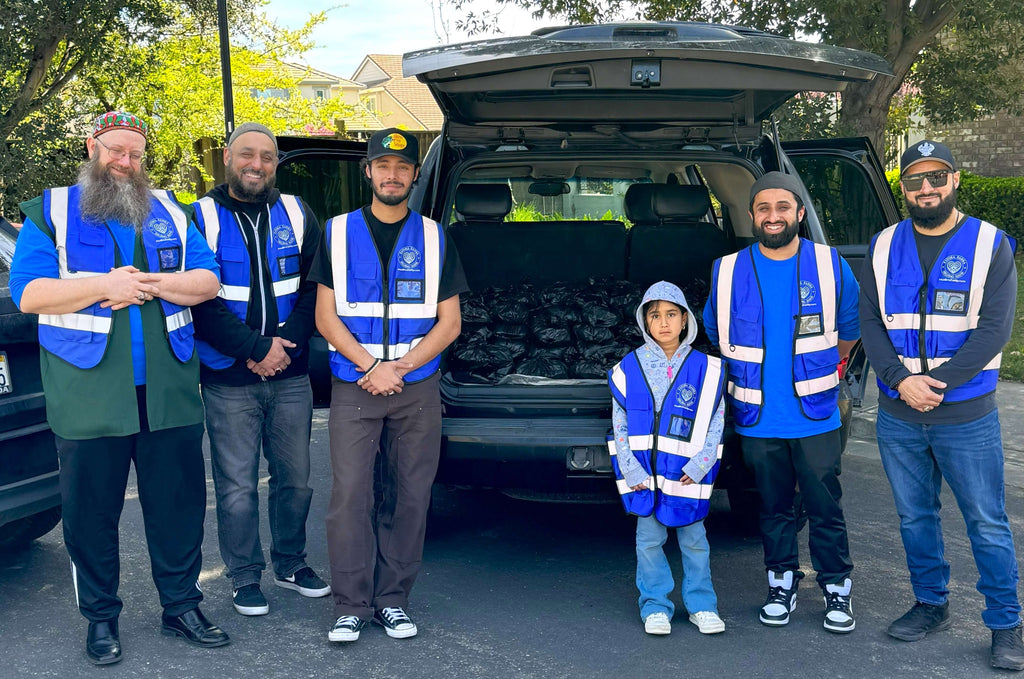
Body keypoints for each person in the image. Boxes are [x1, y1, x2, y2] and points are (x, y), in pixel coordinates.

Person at [9, 111, 228, 665]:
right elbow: (30, 295)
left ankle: (181, 606)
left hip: (170, 388)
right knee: (91, 512)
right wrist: (105, 286)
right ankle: (101, 618)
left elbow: (207, 282)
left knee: (178, 505)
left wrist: (153, 285)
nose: (126, 163)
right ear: (92, 148)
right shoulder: (53, 211)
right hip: (87, 392)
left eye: (135, 154)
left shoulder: (172, 212)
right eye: (116, 151)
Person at [859, 140, 1023, 671]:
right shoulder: (882, 245)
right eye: (914, 180)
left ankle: (1005, 623)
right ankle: (932, 604)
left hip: (967, 415)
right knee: (914, 517)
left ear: (955, 181)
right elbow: (871, 324)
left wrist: (935, 383)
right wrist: (898, 381)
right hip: (898, 413)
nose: (925, 188)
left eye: (936, 178)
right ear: (902, 187)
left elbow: (994, 330)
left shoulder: (990, 245)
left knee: (987, 521)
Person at [311, 128, 468, 642]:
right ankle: (351, 605)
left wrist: (396, 369)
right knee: (351, 494)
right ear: (369, 172)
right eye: (384, 166)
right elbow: (326, 318)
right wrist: (370, 367)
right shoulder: (334, 233)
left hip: (415, 387)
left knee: (409, 496)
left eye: (402, 167)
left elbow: (450, 323)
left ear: (413, 176)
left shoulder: (434, 236)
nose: (393, 175)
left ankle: (393, 600)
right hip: (355, 385)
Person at [703, 171, 860, 634]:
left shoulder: (831, 265)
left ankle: (836, 589)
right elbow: (716, 330)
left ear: (799, 213)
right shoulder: (727, 269)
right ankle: (781, 583)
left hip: (815, 415)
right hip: (757, 418)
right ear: (752, 215)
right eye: (764, 208)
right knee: (772, 508)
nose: (774, 216)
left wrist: (829, 369)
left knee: (825, 505)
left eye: (783, 208)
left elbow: (849, 328)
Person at [190, 122, 329, 617]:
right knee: (235, 487)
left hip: (290, 375)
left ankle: (290, 564)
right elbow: (198, 302)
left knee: (296, 479)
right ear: (227, 157)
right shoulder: (199, 217)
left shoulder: (297, 211)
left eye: (267, 157)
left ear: (276, 164)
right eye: (247, 154)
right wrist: (254, 348)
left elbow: (317, 286)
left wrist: (283, 348)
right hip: (228, 378)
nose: (257, 164)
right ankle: (244, 576)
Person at [608, 281, 727, 636]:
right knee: (648, 541)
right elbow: (620, 424)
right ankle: (656, 606)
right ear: (644, 321)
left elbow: (715, 421)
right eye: (655, 315)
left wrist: (701, 464)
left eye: (672, 314)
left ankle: (702, 605)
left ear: (685, 319)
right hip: (645, 476)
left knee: (694, 541)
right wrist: (630, 468)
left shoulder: (707, 369)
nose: (664, 322)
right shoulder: (627, 368)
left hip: (688, 475)